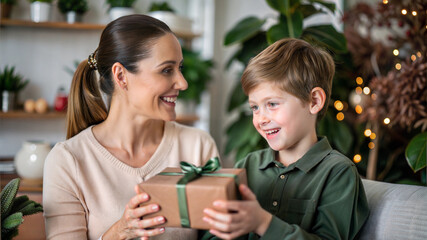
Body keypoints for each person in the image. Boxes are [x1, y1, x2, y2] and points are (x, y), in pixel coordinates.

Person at [43, 14, 219, 240]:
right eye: (167, 70)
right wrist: (118, 233)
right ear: (121, 76)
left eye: (180, 68)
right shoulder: (68, 161)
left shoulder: (198, 147)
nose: (182, 83)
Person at [202, 38, 369, 240]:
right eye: (255, 107)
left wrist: (263, 223)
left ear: (314, 101)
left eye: (272, 104)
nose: (261, 119)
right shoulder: (248, 165)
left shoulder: (338, 173)